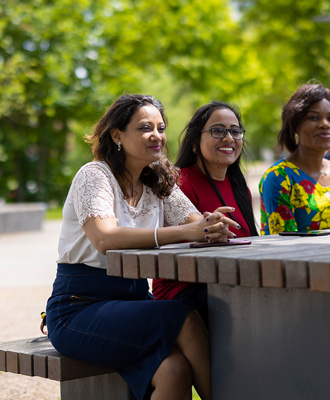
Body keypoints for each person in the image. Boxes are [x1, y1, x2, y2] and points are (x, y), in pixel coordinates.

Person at [45, 94, 239, 400]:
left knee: (175, 371)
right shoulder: (94, 176)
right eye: (145, 127)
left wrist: (211, 227)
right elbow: (105, 239)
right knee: (186, 317)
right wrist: (187, 231)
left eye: (161, 128)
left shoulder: (157, 180)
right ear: (117, 135)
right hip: (78, 308)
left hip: (134, 303)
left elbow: (195, 222)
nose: (157, 135)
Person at [153, 101, 258, 326]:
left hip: (228, 281)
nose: (229, 138)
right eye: (218, 131)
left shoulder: (240, 188)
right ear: (194, 143)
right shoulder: (179, 184)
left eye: (235, 131)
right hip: (184, 289)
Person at [259, 82, 330, 235]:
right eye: (313, 117)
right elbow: (282, 245)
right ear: (295, 125)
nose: (325, 124)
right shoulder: (279, 177)